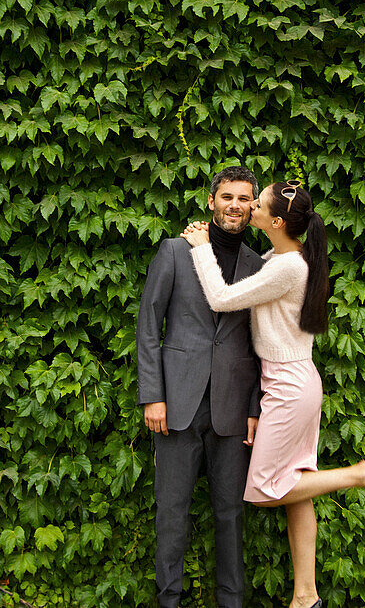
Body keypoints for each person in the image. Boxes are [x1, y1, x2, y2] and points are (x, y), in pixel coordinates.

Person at [181, 180, 365, 608]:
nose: (250, 210)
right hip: (293, 380)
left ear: (277, 221)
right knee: (297, 486)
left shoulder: (288, 267)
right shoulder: (285, 256)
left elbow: (222, 297)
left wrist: (199, 247)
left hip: (288, 385)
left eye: (258, 205)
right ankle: (306, 596)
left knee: (266, 490)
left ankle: (361, 474)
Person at [136, 166, 265, 608]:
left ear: (253, 207)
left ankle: (231, 602)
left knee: (230, 515)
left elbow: (259, 342)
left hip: (231, 411)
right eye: (227, 196)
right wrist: (153, 395)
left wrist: (253, 405)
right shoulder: (175, 251)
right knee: (172, 515)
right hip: (176, 406)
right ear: (211, 201)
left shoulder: (257, 265)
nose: (235, 205)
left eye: (244, 198)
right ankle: (167, 600)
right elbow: (148, 326)